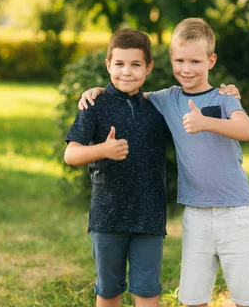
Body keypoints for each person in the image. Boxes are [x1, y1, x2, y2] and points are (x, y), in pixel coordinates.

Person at [79, 18, 249, 307]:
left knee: (246, 294)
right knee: (193, 296)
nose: (186, 68)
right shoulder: (167, 98)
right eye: (180, 60)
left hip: (236, 210)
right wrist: (100, 92)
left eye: (195, 60)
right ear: (170, 59)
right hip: (195, 211)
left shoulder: (224, 98)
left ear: (211, 60)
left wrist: (207, 122)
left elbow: (248, 131)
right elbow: (131, 95)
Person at [64, 28, 170, 307]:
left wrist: (227, 93)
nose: (126, 71)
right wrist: (103, 150)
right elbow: (71, 154)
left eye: (135, 64)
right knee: (108, 291)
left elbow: (196, 99)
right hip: (108, 218)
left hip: (149, 218)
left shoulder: (157, 108)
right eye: (119, 64)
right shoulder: (95, 105)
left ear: (149, 67)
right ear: (108, 65)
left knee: (148, 291)